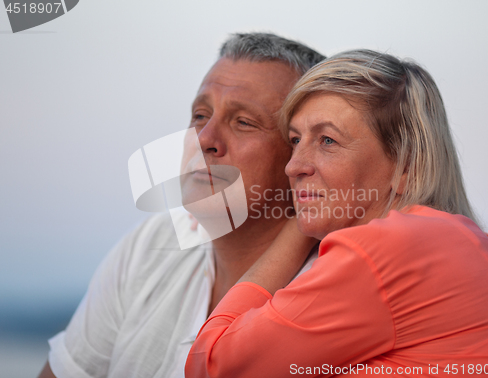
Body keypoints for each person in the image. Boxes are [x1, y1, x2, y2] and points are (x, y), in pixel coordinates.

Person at [185, 50, 488, 377]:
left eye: (327, 140)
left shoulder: (384, 252)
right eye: (295, 140)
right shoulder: (475, 244)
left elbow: (210, 364)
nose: (293, 166)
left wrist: (296, 229)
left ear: (407, 167)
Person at [38, 33, 325, 378]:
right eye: (200, 115)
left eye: (243, 121)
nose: (205, 139)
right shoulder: (151, 244)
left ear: (300, 152)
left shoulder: (327, 292)